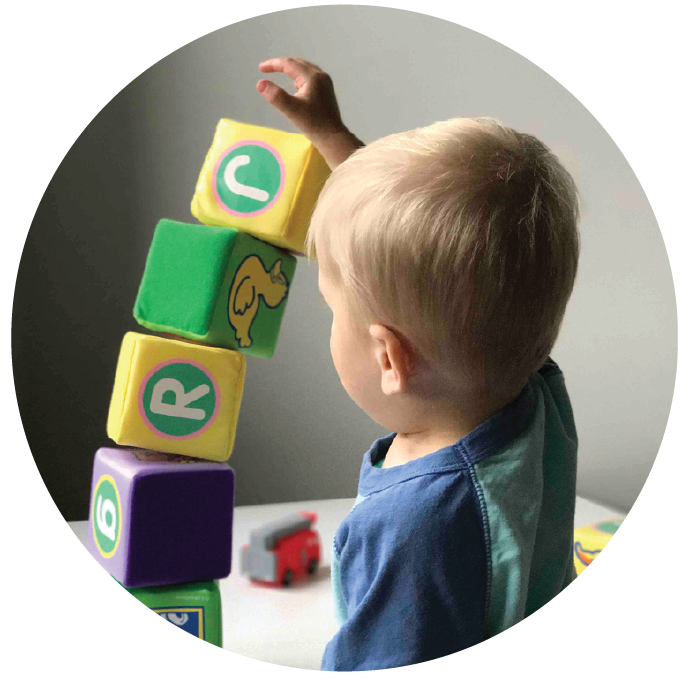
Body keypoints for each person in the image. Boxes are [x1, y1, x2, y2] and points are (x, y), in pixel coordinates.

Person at [257, 57, 580, 671]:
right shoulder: (527, 382)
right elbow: (453, 266)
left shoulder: (415, 527)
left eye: (332, 308)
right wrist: (334, 140)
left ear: (389, 357)